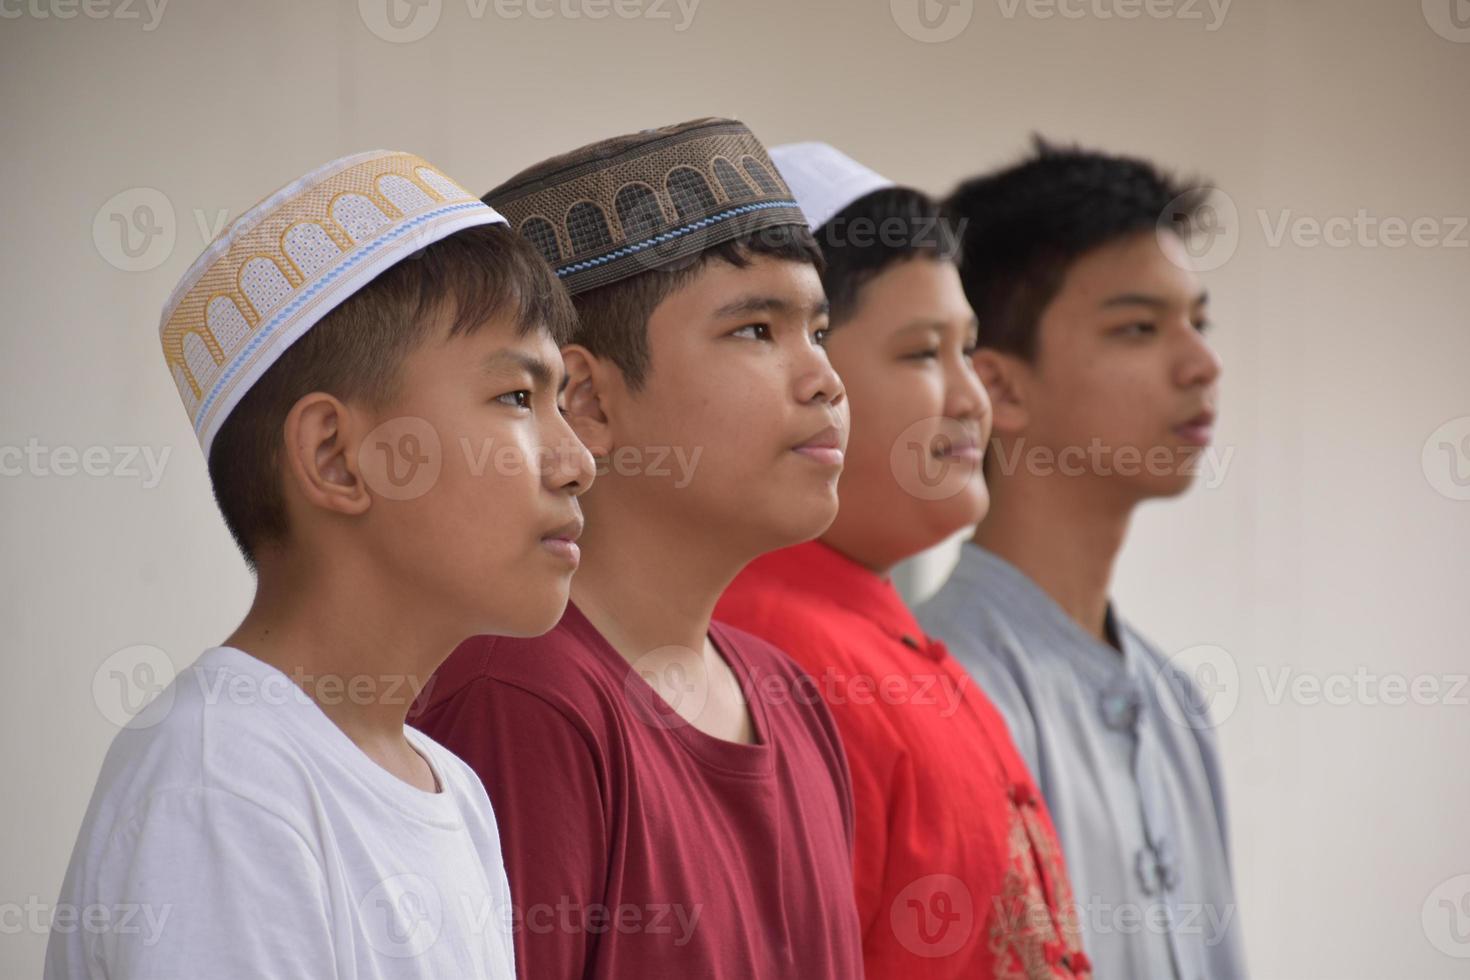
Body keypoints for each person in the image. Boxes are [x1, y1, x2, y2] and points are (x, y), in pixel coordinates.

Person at [45, 149, 595, 979]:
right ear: (336, 457)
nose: (578, 460)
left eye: (563, 403)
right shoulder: (224, 781)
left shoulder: (455, 791)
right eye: (517, 397)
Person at [411, 118, 864, 978]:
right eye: (757, 331)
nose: (825, 381)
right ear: (587, 400)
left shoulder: (790, 693)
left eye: (820, 331)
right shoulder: (520, 697)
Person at [716, 141, 1091, 978]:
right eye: (922, 353)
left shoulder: (869, 638)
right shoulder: (772, 655)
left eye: (968, 350)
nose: (971, 398)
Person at [917, 137, 1246, 979]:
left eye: (1198, 322)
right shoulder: (945, 693)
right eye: (1139, 328)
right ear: (1004, 388)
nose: (1201, 364)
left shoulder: (1174, 702)